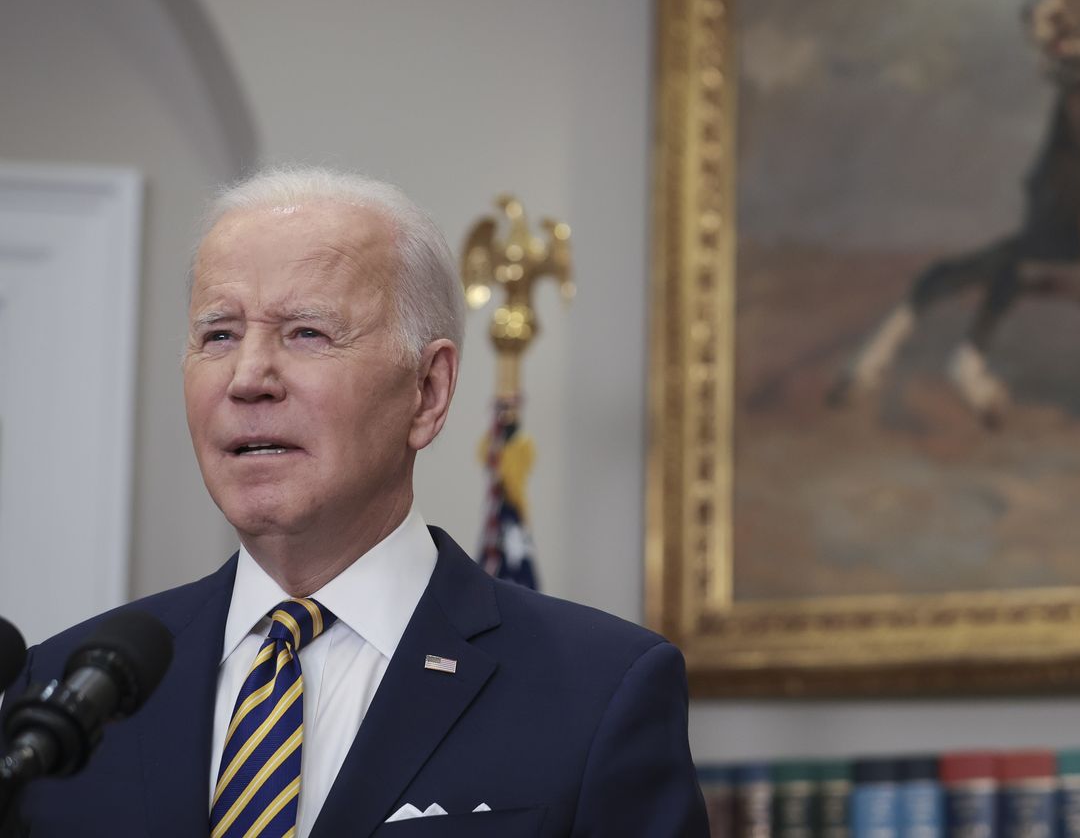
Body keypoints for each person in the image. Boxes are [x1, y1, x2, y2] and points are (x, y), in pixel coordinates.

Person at [4, 167, 705, 836]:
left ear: (427, 392)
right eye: (219, 334)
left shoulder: (598, 691)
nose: (248, 378)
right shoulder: (67, 692)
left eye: (307, 333)